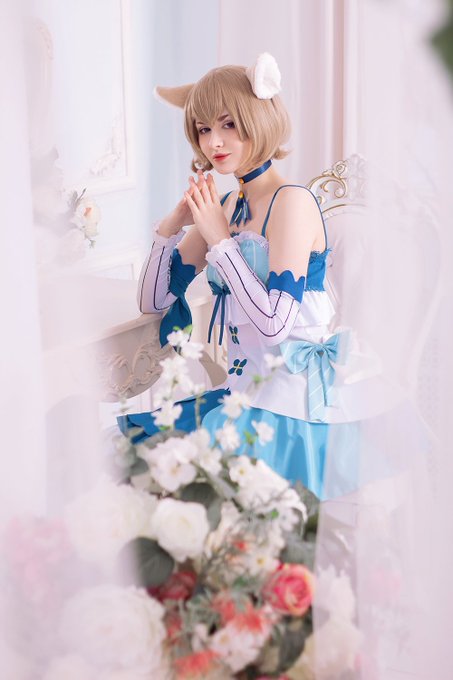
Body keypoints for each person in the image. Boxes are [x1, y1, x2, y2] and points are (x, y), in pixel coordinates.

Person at [119, 53, 391, 500]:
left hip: (293, 402)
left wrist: (219, 239)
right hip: (244, 392)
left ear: (258, 118)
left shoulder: (292, 202)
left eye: (228, 124)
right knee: (144, 464)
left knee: (202, 492)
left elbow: (274, 324)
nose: (214, 142)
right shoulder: (227, 206)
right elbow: (154, 301)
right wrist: (168, 229)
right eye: (203, 129)